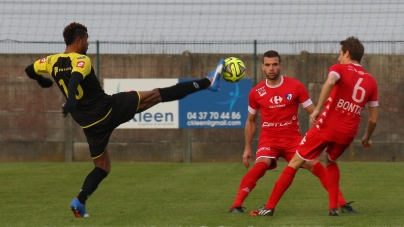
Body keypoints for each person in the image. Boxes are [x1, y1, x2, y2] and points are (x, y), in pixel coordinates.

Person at [24, 22, 225, 218]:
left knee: (102, 166)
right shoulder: (82, 60)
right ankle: (208, 83)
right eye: (86, 40)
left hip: (88, 124)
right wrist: (70, 100)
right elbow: (76, 78)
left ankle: (80, 201)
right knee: (156, 95)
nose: (88, 44)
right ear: (78, 40)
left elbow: (29, 70)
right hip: (107, 109)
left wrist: (43, 81)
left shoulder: (51, 61)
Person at [250, 37, 378, 217]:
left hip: (326, 127)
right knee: (331, 161)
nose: (339, 57)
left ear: (347, 53)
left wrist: (317, 109)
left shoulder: (338, 68)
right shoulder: (371, 81)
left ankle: (269, 207)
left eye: (340, 53)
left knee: (295, 162)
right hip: (348, 133)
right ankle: (333, 207)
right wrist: (367, 137)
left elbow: (331, 81)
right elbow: (373, 120)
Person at [228, 50, 356, 214]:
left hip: (292, 140)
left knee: (314, 165)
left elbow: (314, 112)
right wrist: (247, 148)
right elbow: (251, 121)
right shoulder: (256, 92)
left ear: (280, 65)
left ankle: (343, 203)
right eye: (268, 65)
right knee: (260, 166)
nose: (271, 68)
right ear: (262, 67)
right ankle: (236, 205)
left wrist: (330, 128)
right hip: (269, 140)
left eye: (274, 64)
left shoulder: (295, 86)